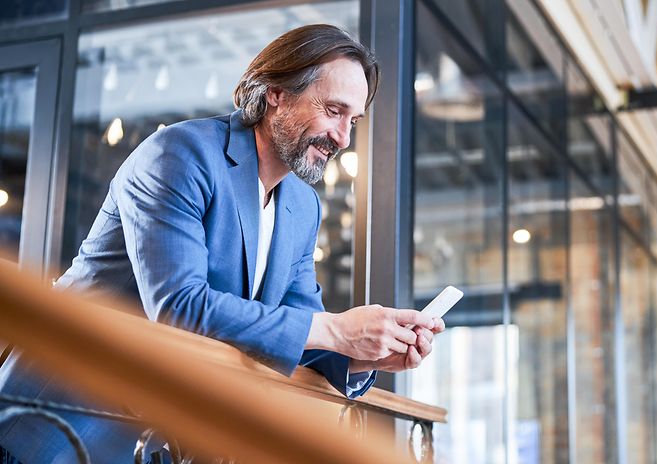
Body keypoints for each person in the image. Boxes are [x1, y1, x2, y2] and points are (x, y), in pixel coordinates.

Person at [0, 24, 444, 461]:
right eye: (332, 110)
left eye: (354, 120)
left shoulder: (301, 206)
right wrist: (338, 330)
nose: (343, 138)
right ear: (276, 93)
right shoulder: (179, 154)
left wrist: (363, 355)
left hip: (145, 439)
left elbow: (297, 322)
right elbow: (178, 306)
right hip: (51, 425)